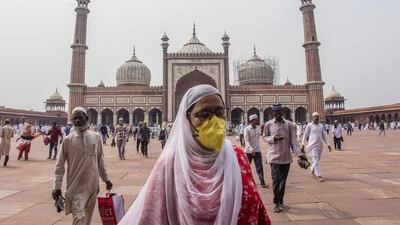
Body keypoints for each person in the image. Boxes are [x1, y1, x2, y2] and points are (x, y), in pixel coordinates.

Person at [119, 84, 270, 225]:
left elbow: (257, 209)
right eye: (204, 114)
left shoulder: (237, 156)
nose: (214, 121)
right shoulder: (170, 164)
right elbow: (152, 217)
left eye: (220, 112)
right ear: (187, 120)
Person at [52, 107, 113, 225]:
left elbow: (100, 160)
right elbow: (59, 166)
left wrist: (106, 179)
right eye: (74, 118)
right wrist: (57, 186)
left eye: (80, 117)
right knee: (78, 217)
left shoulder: (96, 137)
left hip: (92, 185)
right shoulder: (67, 140)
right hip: (75, 185)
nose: (77, 120)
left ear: (87, 118)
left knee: (87, 220)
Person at [263, 104, 306, 213]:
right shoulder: (268, 124)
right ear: (272, 113)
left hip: (286, 157)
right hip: (273, 157)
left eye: (279, 112)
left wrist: (300, 154)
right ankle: (276, 202)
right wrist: (273, 138)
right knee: (276, 180)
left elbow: (294, 141)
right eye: (275, 112)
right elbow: (265, 137)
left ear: (282, 112)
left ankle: (280, 201)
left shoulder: (289, 124)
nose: (277, 114)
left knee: (283, 181)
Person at [301, 112, 332, 182]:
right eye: (315, 116)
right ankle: (319, 175)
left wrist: (328, 144)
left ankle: (312, 168)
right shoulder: (309, 125)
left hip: (319, 145)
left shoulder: (321, 125)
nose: (316, 118)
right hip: (312, 145)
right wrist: (302, 144)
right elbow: (305, 135)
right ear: (312, 117)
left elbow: (324, 136)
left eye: (317, 116)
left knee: (317, 160)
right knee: (315, 159)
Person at [244, 114, 267, 188]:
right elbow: (246, 140)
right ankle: (246, 182)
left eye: (257, 120)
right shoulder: (247, 129)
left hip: (257, 150)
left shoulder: (257, 128)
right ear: (251, 121)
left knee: (259, 167)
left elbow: (261, 136)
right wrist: (251, 149)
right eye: (255, 120)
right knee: (247, 168)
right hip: (249, 151)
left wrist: (263, 129)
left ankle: (262, 182)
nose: (257, 121)